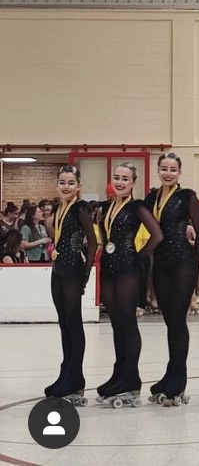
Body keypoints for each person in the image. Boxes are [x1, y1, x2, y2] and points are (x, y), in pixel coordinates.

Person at [96, 163, 163, 407]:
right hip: (109, 268)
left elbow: (157, 235)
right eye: (117, 178)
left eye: (125, 179)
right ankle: (119, 374)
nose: (120, 182)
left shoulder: (137, 207)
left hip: (128, 270)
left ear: (134, 182)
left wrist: (138, 255)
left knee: (127, 322)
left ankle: (131, 378)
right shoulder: (105, 208)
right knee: (116, 323)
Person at [144, 153, 199, 406]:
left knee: (178, 321)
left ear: (179, 172)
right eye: (164, 168)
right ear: (158, 170)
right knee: (170, 321)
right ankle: (171, 373)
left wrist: (194, 263)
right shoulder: (152, 198)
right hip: (161, 264)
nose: (168, 173)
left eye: (172, 169)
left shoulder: (186, 196)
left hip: (183, 263)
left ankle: (178, 380)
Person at [43, 165, 98, 404]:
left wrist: (86, 274)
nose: (66, 187)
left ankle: (76, 377)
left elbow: (92, 242)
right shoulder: (59, 207)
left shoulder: (81, 208)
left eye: (70, 183)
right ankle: (66, 373)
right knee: (64, 322)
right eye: (62, 182)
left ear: (78, 186)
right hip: (58, 270)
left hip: (74, 270)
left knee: (74, 323)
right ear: (57, 185)